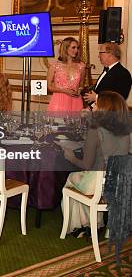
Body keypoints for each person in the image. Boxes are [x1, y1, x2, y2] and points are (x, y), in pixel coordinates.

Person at [61, 91, 131, 235]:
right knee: (83, 179)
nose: (93, 106)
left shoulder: (96, 131)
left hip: (100, 184)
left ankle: (81, 225)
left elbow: (86, 164)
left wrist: (70, 156)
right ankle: (93, 223)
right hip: (119, 183)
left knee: (72, 179)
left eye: (96, 104)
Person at [84, 42, 132, 107]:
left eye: (100, 53)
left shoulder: (123, 73)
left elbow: (120, 99)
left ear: (110, 54)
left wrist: (97, 97)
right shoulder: (107, 70)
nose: (98, 56)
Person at [47, 37, 85, 112]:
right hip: (59, 100)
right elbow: (49, 87)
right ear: (65, 48)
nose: (76, 50)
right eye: (73, 47)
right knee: (58, 122)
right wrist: (65, 91)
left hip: (76, 100)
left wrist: (79, 90)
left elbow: (81, 84)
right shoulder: (54, 66)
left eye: (77, 48)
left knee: (75, 123)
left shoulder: (81, 66)